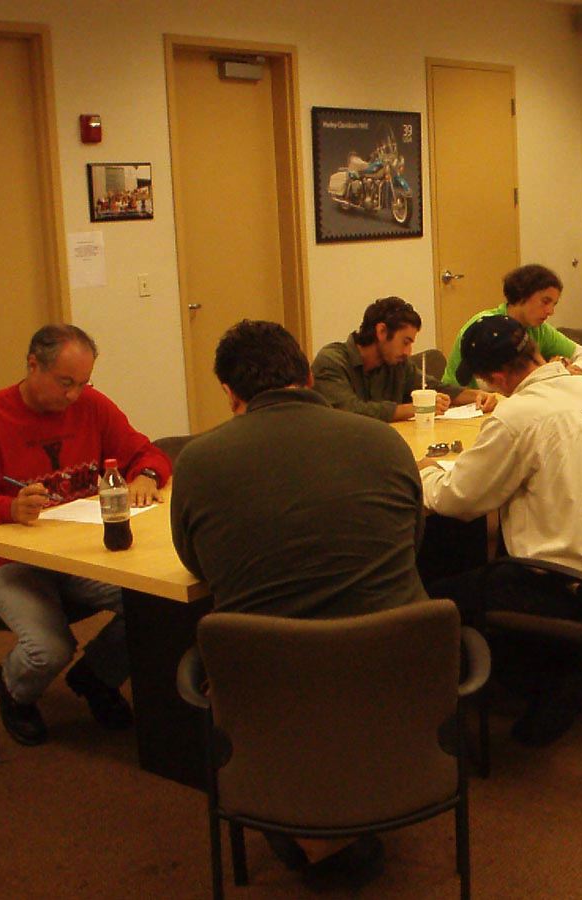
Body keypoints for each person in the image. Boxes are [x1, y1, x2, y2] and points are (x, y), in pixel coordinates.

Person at [171, 319, 427, 886]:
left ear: (231, 395)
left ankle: (312, 827)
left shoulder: (199, 460)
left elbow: (198, 563)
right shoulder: (383, 441)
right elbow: (412, 543)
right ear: (308, 376)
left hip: (272, 679)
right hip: (401, 664)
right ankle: (338, 815)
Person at [0, 324, 172, 747]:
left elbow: (146, 452)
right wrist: (7, 509)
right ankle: (13, 688)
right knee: (49, 648)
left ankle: (96, 675)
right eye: (65, 383)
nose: (74, 396)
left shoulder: (92, 407)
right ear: (34, 365)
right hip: (8, 559)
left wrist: (147, 475)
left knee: (157, 605)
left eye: (83, 383)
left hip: (75, 549)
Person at [421, 315, 582, 747]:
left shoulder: (518, 416)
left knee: (438, 600)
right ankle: (550, 667)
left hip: (571, 587)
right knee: (494, 562)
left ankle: (550, 680)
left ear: (497, 377)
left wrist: (427, 473)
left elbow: (459, 500)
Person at [312, 296, 496, 421]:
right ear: (382, 331)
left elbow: (434, 388)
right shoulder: (332, 361)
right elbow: (349, 411)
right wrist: (416, 408)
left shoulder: (396, 364)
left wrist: (479, 396)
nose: (408, 352)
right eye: (405, 342)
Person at [444, 263, 582, 387]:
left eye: (554, 304)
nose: (550, 311)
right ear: (522, 294)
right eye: (545, 302)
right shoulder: (484, 328)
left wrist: (569, 371)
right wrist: (553, 372)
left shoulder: (539, 329)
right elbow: (489, 382)